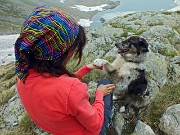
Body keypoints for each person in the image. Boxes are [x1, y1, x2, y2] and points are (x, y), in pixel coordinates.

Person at [15, 5, 115, 135]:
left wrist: (86, 69)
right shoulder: (71, 89)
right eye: (73, 48)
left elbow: (62, 90)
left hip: (59, 129)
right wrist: (99, 94)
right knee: (105, 82)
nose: (73, 52)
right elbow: (95, 126)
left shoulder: (22, 76)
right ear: (60, 52)